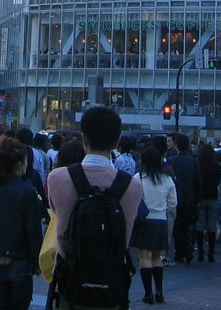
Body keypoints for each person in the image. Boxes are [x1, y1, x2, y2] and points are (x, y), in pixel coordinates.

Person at [47, 106, 144, 310]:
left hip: (71, 284)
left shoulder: (57, 178)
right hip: (112, 285)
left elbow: (56, 215)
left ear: (83, 138)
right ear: (117, 141)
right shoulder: (133, 186)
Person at [0, 137, 44, 310]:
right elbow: (32, 230)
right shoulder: (27, 192)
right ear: (19, 163)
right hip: (18, 261)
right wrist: (36, 262)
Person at [134, 145, 177, 304]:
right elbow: (173, 203)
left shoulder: (138, 178)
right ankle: (159, 291)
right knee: (157, 257)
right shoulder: (167, 179)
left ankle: (148, 294)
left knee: (144, 257)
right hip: (161, 220)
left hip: (144, 221)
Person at [166, 134, 198, 264]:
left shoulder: (171, 161)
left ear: (177, 145)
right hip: (190, 198)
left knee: (177, 228)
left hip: (176, 197)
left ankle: (180, 252)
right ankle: (188, 248)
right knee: (187, 226)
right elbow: (197, 180)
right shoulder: (193, 161)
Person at [195, 142, 221, 263]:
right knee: (212, 226)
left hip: (200, 197)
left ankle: (200, 251)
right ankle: (211, 252)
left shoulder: (197, 164)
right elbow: (218, 182)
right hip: (213, 197)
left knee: (199, 225)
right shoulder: (216, 166)